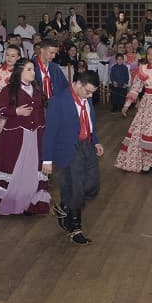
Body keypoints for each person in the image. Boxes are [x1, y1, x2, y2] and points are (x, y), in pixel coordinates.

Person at [0, 59, 50, 216]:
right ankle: (10, 199)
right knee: (12, 167)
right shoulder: (9, 90)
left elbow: (42, 110)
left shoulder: (36, 90)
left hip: (35, 136)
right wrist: (16, 111)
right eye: (29, 69)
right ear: (20, 71)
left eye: (33, 69)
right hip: (15, 136)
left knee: (31, 169)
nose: (33, 72)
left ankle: (29, 203)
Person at [43, 70, 104, 246]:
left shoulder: (87, 98)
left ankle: (64, 207)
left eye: (93, 92)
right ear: (77, 83)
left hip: (87, 145)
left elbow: (90, 122)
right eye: (88, 91)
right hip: (69, 150)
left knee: (92, 185)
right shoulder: (59, 101)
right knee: (76, 189)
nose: (90, 95)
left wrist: (96, 141)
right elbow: (50, 132)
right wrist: (47, 159)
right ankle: (75, 229)